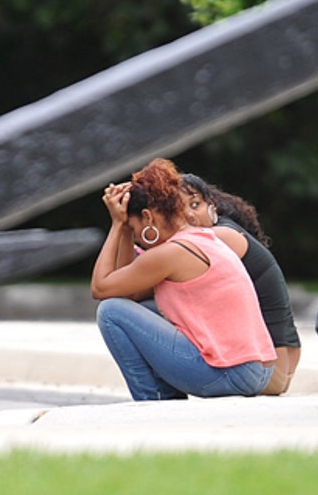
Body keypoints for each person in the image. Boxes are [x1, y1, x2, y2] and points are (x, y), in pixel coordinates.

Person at [90, 158, 276, 401]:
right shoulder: (200, 238)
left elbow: (101, 287)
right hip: (258, 370)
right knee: (142, 308)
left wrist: (116, 225)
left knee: (111, 311)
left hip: (232, 373)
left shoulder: (172, 252)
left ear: (148, 217)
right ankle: (164, 397)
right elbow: (130, 294)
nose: (138, 239)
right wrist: (126, 228)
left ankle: (154, 402)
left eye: (135, 232)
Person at [180, 173, 301, 395]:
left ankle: (159, 398)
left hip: (270, 368)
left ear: (211, 206)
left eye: (195, 204)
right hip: (274, 363)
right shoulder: (223, 232)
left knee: (137, 309)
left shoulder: (219, 237)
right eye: (176, 210)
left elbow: (118, 286)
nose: (188, 214)